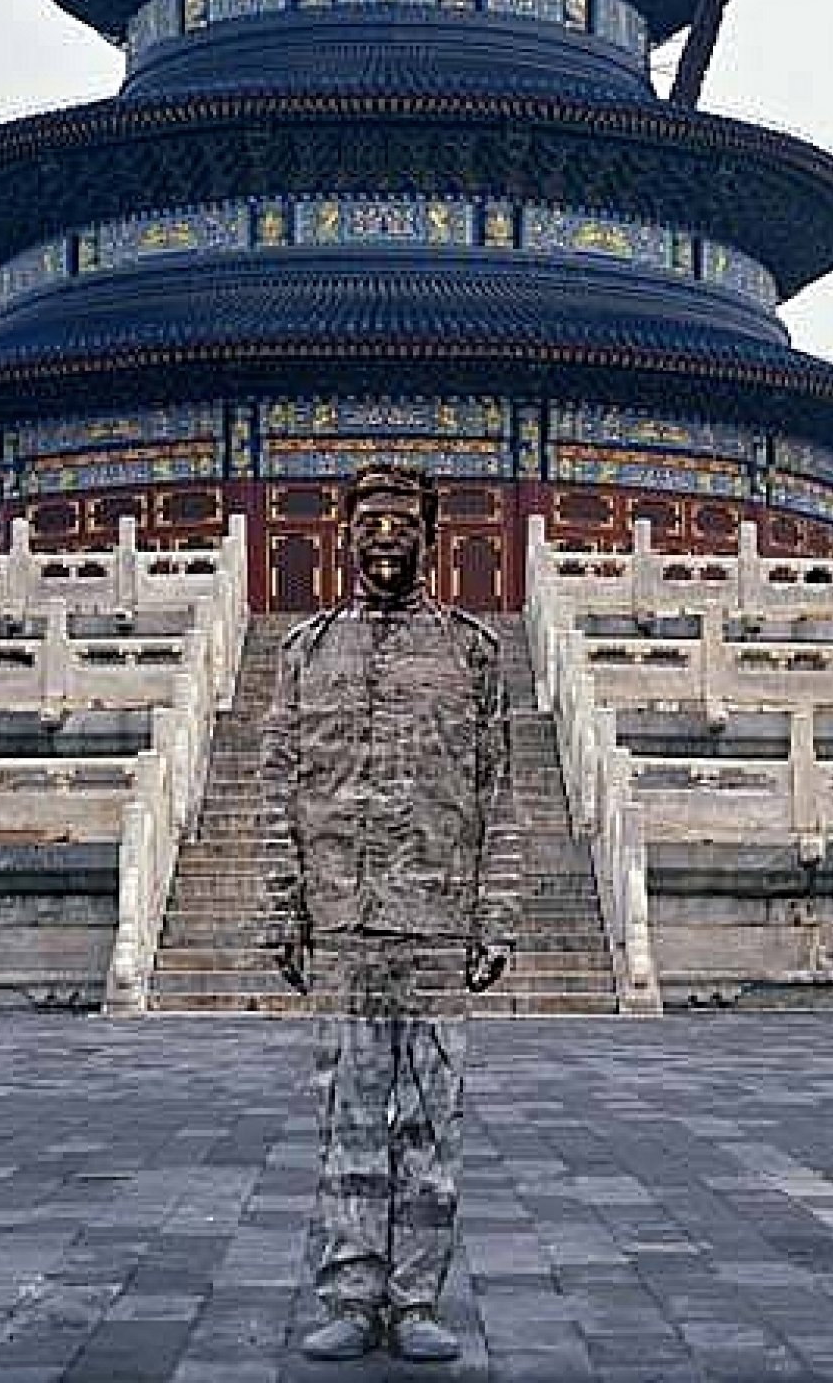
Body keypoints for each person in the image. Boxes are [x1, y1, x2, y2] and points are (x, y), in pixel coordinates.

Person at [260, 463, 522, 1363]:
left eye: (401, 523)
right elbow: (278, 786)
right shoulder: (305, 650)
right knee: (347, 1120)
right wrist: (281, 907)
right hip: (341, 924)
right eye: (369, 521)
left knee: (430, 1123)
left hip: (439, 923)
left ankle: (416, 1300)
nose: (384, 537)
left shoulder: (474, 652)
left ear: (429, 537)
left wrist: (497, 912)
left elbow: (499, 789)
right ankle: (350, 1291)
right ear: (344, 534)